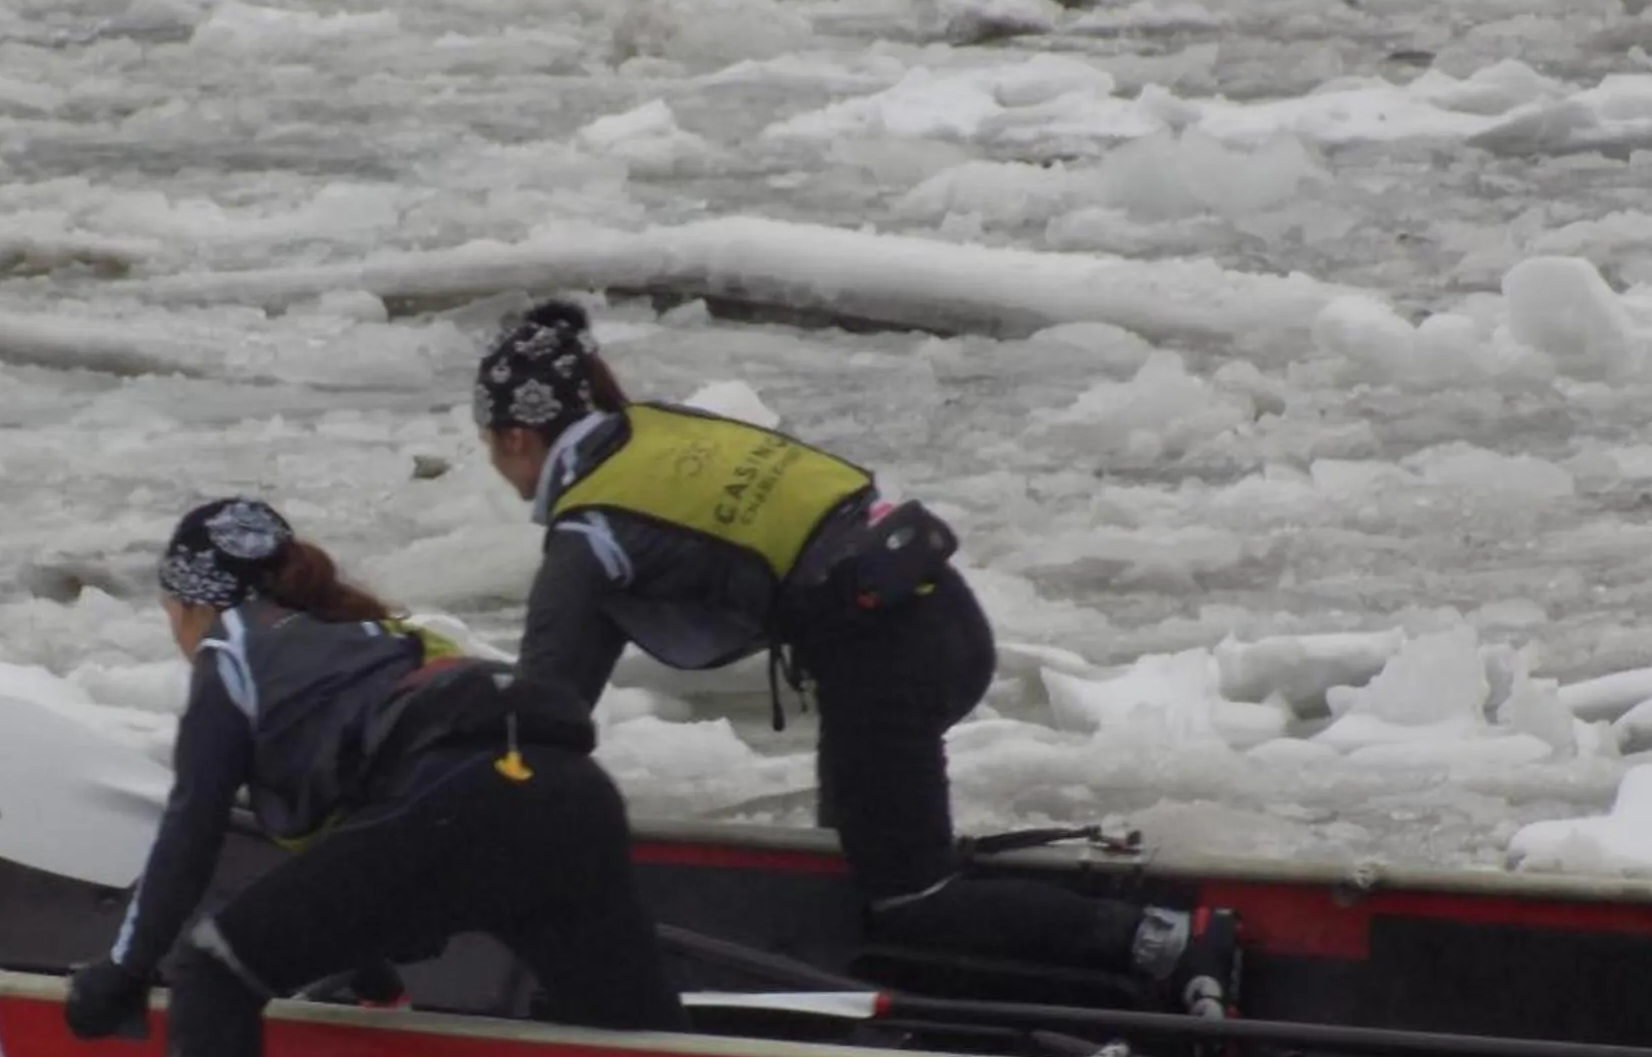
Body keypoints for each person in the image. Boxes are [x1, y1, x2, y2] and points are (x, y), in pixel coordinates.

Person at [470, 298, 1237, 1017]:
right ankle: (929, 999)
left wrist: (473, 811)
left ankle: (1161, 942)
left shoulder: (590, 530)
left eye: (490, 449)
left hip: (886, 655)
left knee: (910, 896)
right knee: (854, 857)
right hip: (940, 611)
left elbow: (543, 708)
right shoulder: (658, 434)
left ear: (514, 437)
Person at [63, 497, 686, 1057]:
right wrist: (370, 974)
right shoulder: (380, 639)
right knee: (645, 1048)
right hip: (570, 797)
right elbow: (361, 850)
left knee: (215, 968)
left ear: (191, 604)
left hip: (457, 805)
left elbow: (191, 834)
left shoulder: (234, 651)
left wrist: (121, 973)